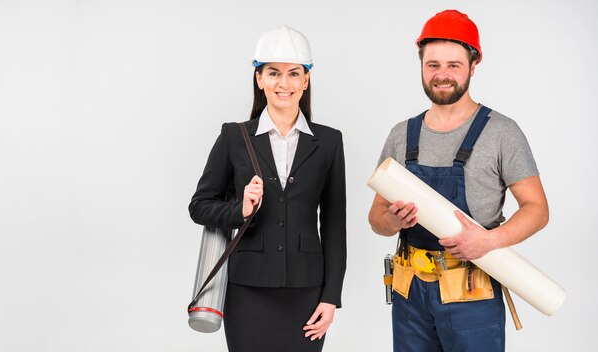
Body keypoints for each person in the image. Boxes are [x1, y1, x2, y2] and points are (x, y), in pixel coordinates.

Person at [368, 10, 549, 352]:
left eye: (453, 64)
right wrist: (390, 220)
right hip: (410, 290)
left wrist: (490, 241)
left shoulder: (501, 132)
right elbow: (376, 219)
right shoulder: (401, 134)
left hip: (471, 287)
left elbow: (538, 209)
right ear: (421, 66)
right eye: (433, 65)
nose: (442, 75)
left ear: (473, 65)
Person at [189, 25, 346, 352]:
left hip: (307, 290)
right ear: (259, 78)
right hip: (247, 289)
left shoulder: (330, 141)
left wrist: (331, 298)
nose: (283, 83)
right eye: (273, 73)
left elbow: (334, 227)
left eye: (293, 74)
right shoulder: (234, 136)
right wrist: (241, 209)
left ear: (306, 80)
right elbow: (200, 206)